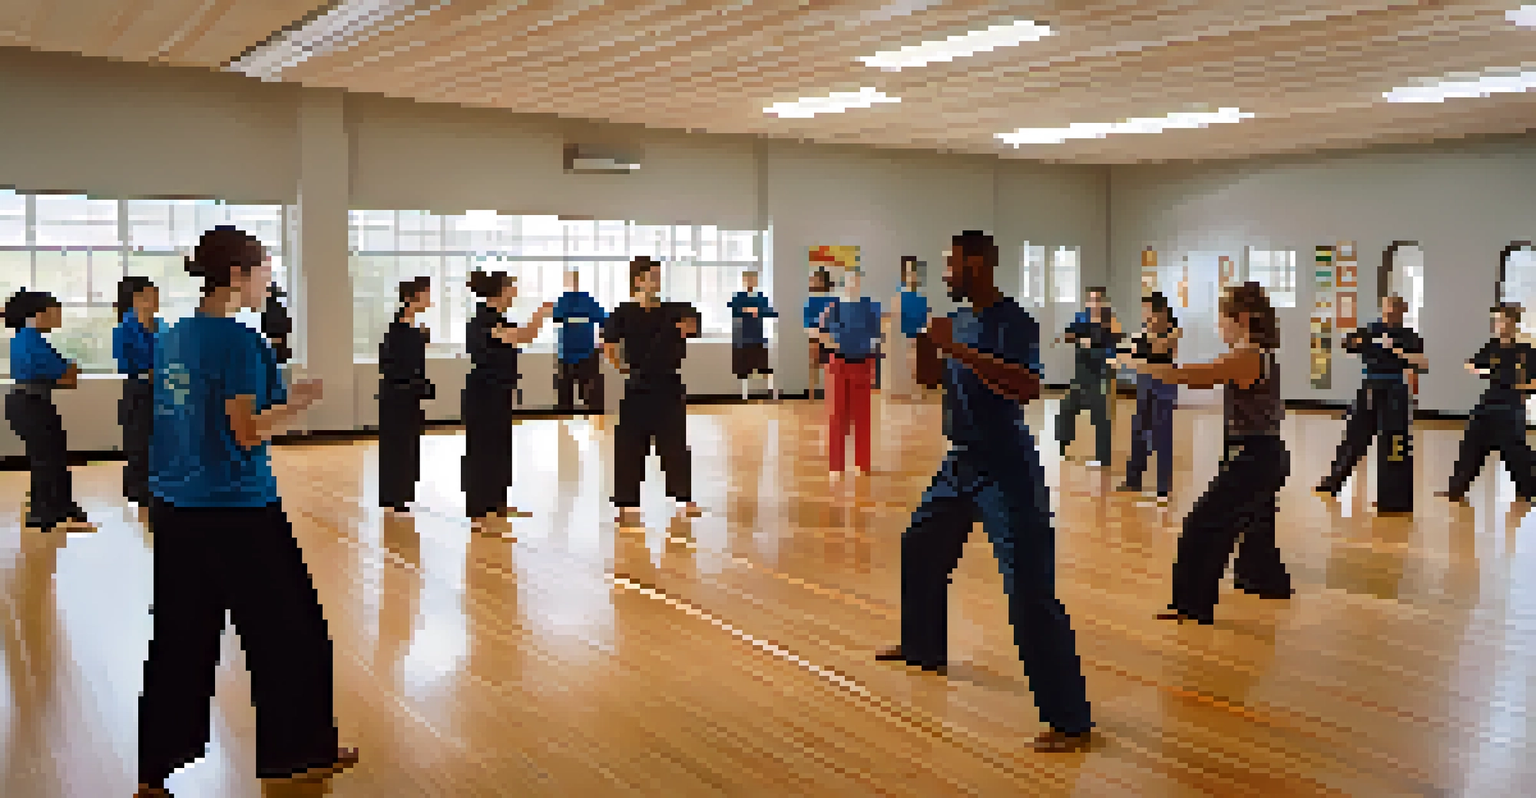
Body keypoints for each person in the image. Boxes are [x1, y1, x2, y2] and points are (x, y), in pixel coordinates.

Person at [136, 226, 354, 798]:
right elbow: (247, 432)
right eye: (263, 270)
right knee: (293, 634)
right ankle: (299, 755)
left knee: (181, 636)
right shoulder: (237, 340)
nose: (268, 281)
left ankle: (153, 771)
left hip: (176, 505)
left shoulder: (174, 335)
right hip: (237, 509)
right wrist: (299, 405)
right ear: (236, 275)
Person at [874, 231, 1093, 754]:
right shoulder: (961, 321)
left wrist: (956, 347)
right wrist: (926, 345)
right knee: (920, 545)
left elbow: (1026, 386)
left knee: (1028, 593)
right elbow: (934, 379)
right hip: (961, 461)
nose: (945, 272)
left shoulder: (1013, 322)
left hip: (1007, 466)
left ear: (980, 265)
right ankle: (922, 646)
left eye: (951, 264)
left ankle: (1070, 720)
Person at [1118, 281, 1293, 626]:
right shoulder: (1260, 353)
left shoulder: (1247, 354)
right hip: (1265, 453)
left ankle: (1190, 606)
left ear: (1240, 318)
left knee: (1201, 526)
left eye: (1221, 319)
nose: (1218, 326)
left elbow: (1196, 376)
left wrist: (1138, 365)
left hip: (1255, 457)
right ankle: (1264, 582)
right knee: (1254, 526)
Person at [603, 256, 703, 527]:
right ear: (638, 281)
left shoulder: (674, 309)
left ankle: (683, 497)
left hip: (668, 384)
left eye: (659, 276)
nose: (657, 281)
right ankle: (627, 503)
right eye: (652, 276)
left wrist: (689, 326)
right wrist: (623, 369)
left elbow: (693, 324)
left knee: (675, 443)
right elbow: (608, 345)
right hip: (636, 385)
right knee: (629, 444)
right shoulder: (622, 312)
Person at [1316, 295, 1427, 512]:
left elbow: (1422, 363)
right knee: (1355, 436)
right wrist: (1356, 342)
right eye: (1387, 308)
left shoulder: (1408, 335)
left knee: (1394, 443)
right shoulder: (1369, 329)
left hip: (1395, 389)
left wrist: (1396, 350)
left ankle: (1392, 497)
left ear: (1402, 311)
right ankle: (1333, 483)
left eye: (1394, 309)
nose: (1389, 312)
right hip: (1370, 386)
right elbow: (1347, 344)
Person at [462, 270, 553, 528]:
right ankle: (478, 508)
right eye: (512, 288)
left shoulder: (501, 319)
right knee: (481, 448)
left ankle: (497, 503)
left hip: (499, 391)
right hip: (483, 393)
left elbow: (522, 336)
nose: (514, 293)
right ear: (500, 291)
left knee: (500, 446)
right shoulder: (484, 321)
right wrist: (540, 315)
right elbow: (523, 337)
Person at [4, 289, 90, 532]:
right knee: (46, 458)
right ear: (39, 315)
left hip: (29, 402)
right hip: (30, 403)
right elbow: (69, 378)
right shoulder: (31, 340)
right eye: (55, 312)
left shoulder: (27, 338)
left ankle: (60, 506)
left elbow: (65, 377)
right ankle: (43, 513)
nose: (59, 318)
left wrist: (67, 371)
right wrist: (70, 368)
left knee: (53, 453)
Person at [1437, 302, 1536, 504]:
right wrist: (1484, 371)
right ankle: (1456, 489)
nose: (1499, 326)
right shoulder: (1491, 347)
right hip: (1488, 404)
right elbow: (1470, 364)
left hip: (1511, 406)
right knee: (1471, 445)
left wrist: (1519, 385)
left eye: (1503, 321)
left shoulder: (1525, 351)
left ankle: (1530, 491)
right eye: (1496, 321)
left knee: (1516, 451)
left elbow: (1533, 382)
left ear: (1513, 323)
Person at [814, 268, 883, 477]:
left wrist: (865, 346)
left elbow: (875, 335)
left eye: (856, 281)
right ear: (844, 283)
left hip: (861, 364)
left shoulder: (870, 307)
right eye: (850, 281)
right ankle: (836, 465)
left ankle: (862, 463)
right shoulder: (833, 307)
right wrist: (834, 340)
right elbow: (823, 332)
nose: (853, 284)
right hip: (837, 364)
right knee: (836, 416)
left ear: (860, 283)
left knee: (862, 415)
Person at [1118, 291, 1181, 504]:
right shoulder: (1145, 331)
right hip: (1145, 384)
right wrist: (1131, 351)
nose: (1146, 318)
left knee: (1162, 437)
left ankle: (1163, 488)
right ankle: (1133, 480)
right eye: (1144, 313)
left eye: (1150, 313)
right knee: (1139, 432)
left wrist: (1136, 350)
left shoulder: (1174, 330)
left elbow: (1159, 347)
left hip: (1163, 387)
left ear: (1162, 312)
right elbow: (1127, 352)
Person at [378, 277, 435, 514]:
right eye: (426, 294)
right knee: (398, 446)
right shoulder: (400, 329)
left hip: (407, 395)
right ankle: (394, 496)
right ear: (412, 297)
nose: (429, 300)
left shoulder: (410, 328)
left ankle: (400, 494)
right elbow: (394, 365)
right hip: (398, 396)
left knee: (407, 445)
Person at [1057, 286, 1122, 467]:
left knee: (1100, 415)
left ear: (1103, 302)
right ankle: (1063, 445)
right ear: (1087, 302)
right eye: (1091, 300)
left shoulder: (1110, 321)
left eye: (1098, 300)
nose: (1094, 304)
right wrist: (1079, 339)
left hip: (1100, 373)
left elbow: (1114, 343)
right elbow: (1067, 335)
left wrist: (1111, 357)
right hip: (1082, 373)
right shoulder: (1081, 318)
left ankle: (1103, 458)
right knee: (1066, 408)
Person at [114, 276, 161, 506]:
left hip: (164, 390)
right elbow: (125, 364)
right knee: (139, 441)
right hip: (139, 390)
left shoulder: (161, 326)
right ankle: (140, 492)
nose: (156, 300)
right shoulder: (125, 328)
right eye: (151, 295)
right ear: (136, 299)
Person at [552, 269, 608, 414]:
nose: (572, 284)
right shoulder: (561, 301)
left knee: (592, 398)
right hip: (566, 356)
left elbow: (605, 320)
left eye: (574, 280)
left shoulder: (587, 300)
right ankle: (564, 428)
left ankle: (596, 426)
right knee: (565, 400)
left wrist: (603, 339)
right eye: (569, 280)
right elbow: (557, 320)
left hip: (587, 354)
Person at [729, 269, 778, 400]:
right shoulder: (738, 297)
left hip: (757, 338)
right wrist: (745, 310)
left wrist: (759, 311)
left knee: (763, 366)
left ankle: (772, 393)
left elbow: (771, 312)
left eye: (753, 279)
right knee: (743, 369)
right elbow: (733, 310)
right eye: (747, 279)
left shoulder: (761, 297)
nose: (750, 282)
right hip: (742, 338)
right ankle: (744, 395)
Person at [892, 256, 930, 400]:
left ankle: (916, 389)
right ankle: (910, 389)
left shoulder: (921, 295)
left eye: (914, 271)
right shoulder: (899, 295)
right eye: (909, 272)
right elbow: (896, 316)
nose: (912, 275)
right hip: (904, 335)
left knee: (916, 360)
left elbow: (925, 315)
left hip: (918, 334)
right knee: (910, 359)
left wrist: (924, 328)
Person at [803, 267, 838, 401]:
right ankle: (812, 394)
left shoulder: (834, 300)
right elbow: (807, 323)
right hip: (815, 337)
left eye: (815, 280)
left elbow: (837, 320)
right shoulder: (810, 302)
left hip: (830, 337)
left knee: (831, 365)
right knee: (814, 364)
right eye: (812, 280)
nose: (812, 282)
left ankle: (832, 393)